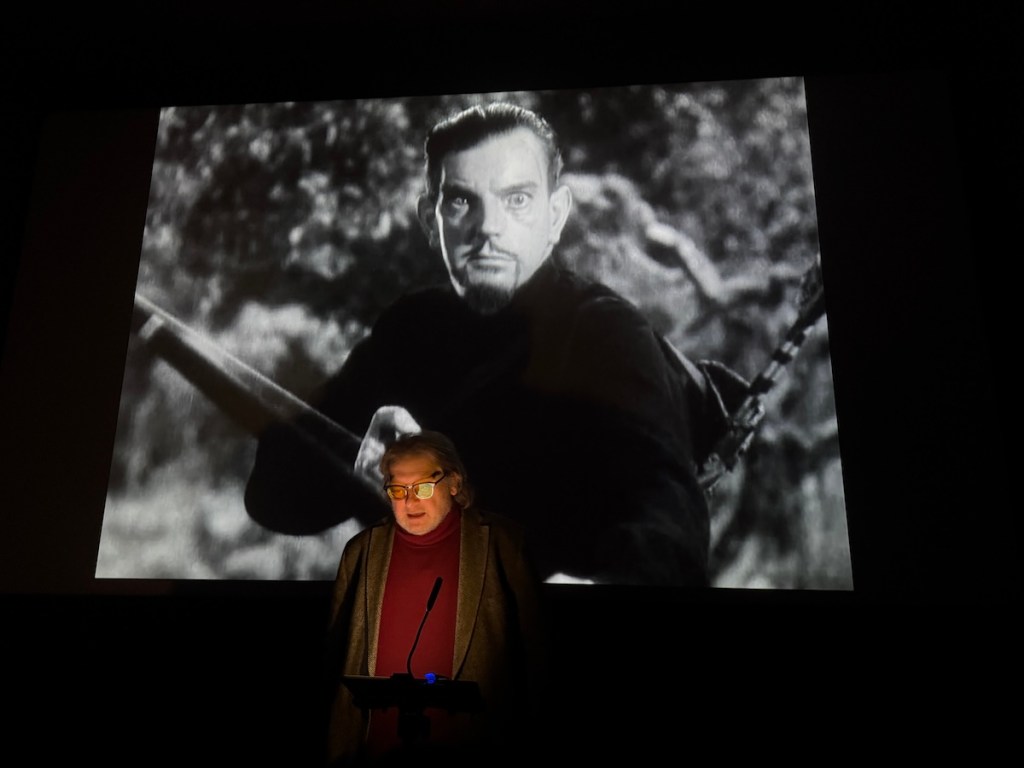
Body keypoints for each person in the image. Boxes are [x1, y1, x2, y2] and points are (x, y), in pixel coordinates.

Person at [245, 102, 746, 586]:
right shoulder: (410, 331)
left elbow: (667, 518)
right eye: (462, 201)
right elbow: (274, 498)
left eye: (517, 200)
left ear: (555, 216)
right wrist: (358, 463)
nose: (488, 228)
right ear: (431, 220)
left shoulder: (603, 332)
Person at [323, 430, 548, 765]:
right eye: (398, 490)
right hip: (374, 753)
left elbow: (537, 655)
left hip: (474, 750)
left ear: (454, 483)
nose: (410, 501)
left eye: (423, 487)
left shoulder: (503, 545)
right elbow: (335, 652)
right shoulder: (361, 551)